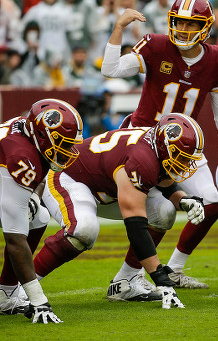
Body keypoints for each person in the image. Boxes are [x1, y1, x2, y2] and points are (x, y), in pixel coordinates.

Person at [101, 0, 218, 293]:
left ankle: (173, 269)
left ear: (207, 27)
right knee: (162, 212)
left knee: (211, 206)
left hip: (184, 147)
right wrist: (118, 28)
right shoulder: (157, 45)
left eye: (192, 24)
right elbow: (111, 70)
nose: (185, 31)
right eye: (180, 23)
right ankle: (128, 277)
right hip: (143, 141)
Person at [32, 113, 204, 308]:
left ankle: (126, 282)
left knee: (164, 212)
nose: (185, 164)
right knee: (83, 230)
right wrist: (160, 278)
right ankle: (23, 286)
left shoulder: (155, 147)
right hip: (69, 178)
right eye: (182, 157)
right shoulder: (142, 158)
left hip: (106, 188)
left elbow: (164, 182)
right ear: (166, 147)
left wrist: (184, 200)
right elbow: (136, 227)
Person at [0, 98, 84, 323]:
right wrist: (39, 301)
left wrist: (35, 197)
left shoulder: (29, 130)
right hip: (6, 174)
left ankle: (6, 293)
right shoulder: (20, 156)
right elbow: (15, 241)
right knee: (19, 230)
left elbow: (42, 167)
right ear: (43, 136)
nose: (68, 151)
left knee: (39, 216)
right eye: (64, 144)